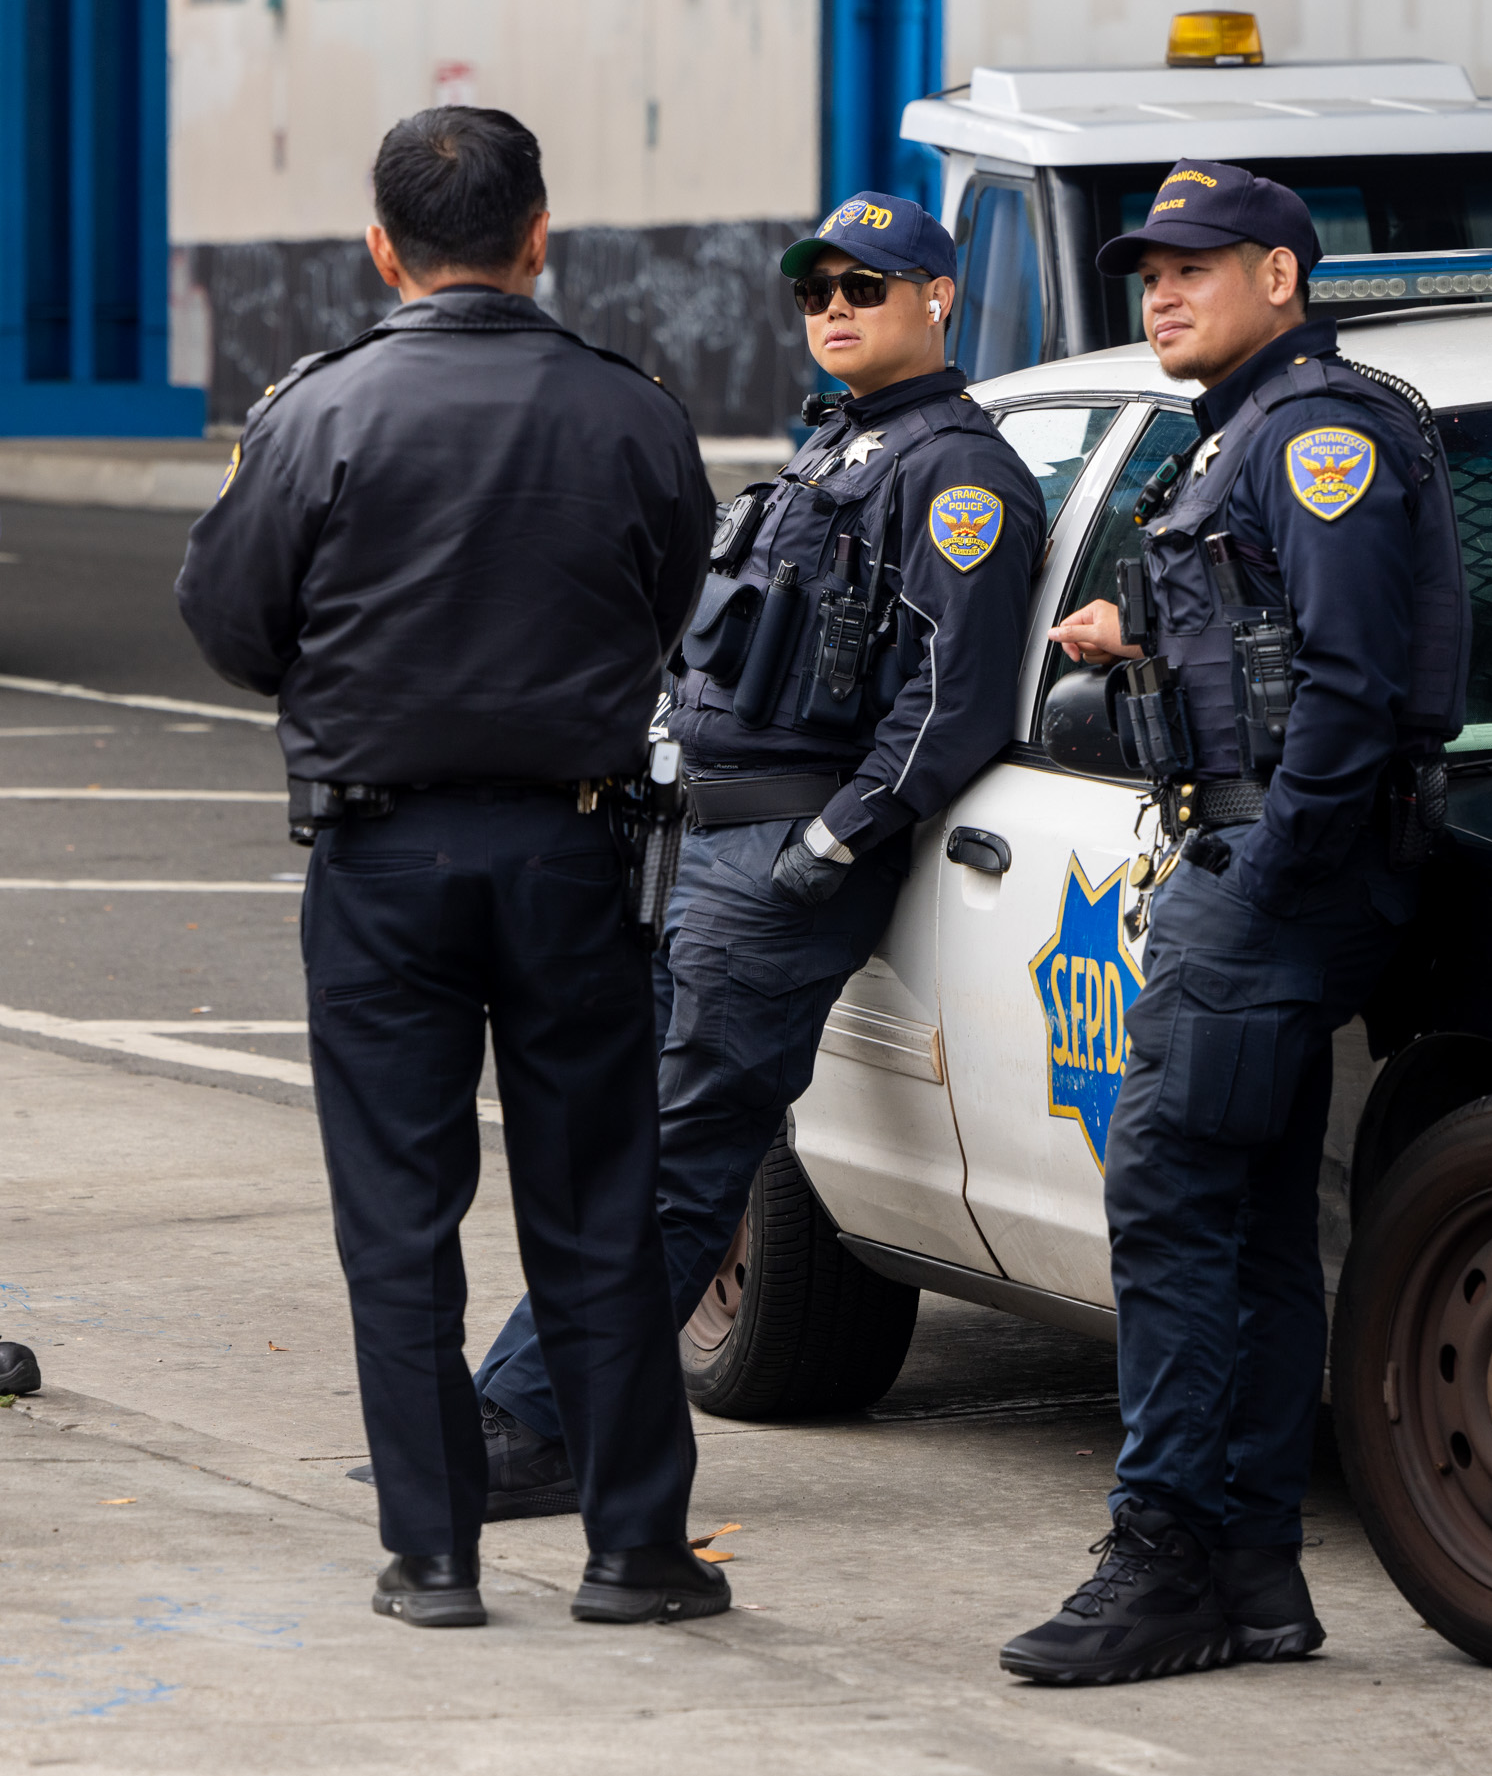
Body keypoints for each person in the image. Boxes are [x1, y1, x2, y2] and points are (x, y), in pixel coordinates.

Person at [176, 106, 722, 1627]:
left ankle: (433, 1555)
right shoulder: (630, 412)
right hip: (572, 850)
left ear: (379, 243)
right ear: (540, 233)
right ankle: (632, 1554)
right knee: (600, 1201)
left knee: (398, 1215)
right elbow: (674, 597)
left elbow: (227, 621)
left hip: (380, 853)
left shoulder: (315, 412)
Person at [467, 190, 1046, 1513]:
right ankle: (514, 1410)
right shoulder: (830, 455)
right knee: (621, 1152)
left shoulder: (957, 474)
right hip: (699, 850)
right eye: (816, 291)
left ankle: (539, 1430)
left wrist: (840, 840)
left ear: (938, 297)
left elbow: (949, 700)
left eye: (867, 287)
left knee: (674, 1164)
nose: (834, 309)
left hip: (778, 865)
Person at [1001, 160, 1466, 1684]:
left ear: (1282, 276)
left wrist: (1265, 876)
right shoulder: (1248, 439)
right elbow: (1269, 636)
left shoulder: (1317, 436)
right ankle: (1259, 1577)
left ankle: (1163, 1562)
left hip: (1268, 878)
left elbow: (1348, 686)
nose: (1163, 290)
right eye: (1149, 269)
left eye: (1198, 264)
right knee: (1257, 1225)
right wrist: (1142, 629)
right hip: (1266, 865)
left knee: (1173, 1205)